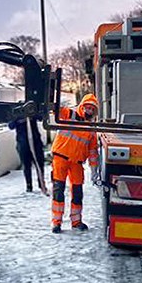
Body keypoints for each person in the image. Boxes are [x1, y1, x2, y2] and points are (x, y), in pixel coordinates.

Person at [50, 93, 99, 233]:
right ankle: (56, 222)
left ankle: (76, 221)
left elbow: (93, 152)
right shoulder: (70, 115)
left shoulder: (91, 129)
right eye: (87, 107)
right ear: (81, 106)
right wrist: (55, 100)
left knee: (77, 193)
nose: (88, 111)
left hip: (77, 163)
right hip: (61, 158)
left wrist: (94, 170)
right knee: (58, 192)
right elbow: (55, 109)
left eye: (91, 109)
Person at [9, 114, 48, 195]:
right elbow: (11, 126)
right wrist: (17, 118)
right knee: (26, 165)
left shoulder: (32, 113)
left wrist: (33, 114)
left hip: (36, 143)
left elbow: (41, 118)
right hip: (23, 144)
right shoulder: (16, 116)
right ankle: (29, 185)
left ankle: (41, 183)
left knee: (40, 164)